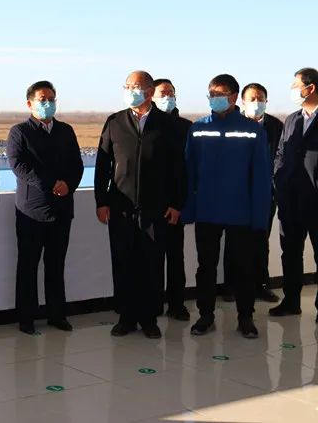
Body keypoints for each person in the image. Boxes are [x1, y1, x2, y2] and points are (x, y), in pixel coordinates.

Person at [95, 70, 185, 339]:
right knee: (123, 261)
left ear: (149, 91)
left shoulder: (166, 125)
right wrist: (101, 201)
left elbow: (178, 168)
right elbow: (102, 164)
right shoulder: (115, 122)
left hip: (156, 208)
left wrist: (176, 203)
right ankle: (126, 317)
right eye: (127, 86)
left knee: (152, 264)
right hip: (120, 207)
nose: (129, 91)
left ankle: (149, 318)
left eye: (134, 86)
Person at [182, 74, 271, 339]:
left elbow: (261, 176)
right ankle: (205, 315)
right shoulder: (198, 129)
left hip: (240, 212)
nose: (215, 99)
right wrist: (188, 209)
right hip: (207, 211)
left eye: (220, 94)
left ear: (233, 97)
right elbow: (189, 172)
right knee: (205, 267)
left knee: (243, 267)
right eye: (211, 94)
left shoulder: (252, 130)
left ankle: (246, 317)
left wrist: (260, 216)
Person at [7, 81, 84, 335]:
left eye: (51, 99)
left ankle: (56, 314)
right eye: (42, 99)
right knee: (28, 265)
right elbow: (19, 166)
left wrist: (68, 184)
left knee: (56, 264)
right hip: (31, 211)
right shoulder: (19, 132)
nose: (48, 103)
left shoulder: (66, 131)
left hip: (62, 209)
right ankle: (26, 317)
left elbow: (77, 165)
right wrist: (52, 184)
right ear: (29, 103)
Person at [270, 68, 318, 323]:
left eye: (295, 85)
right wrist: (279, 179)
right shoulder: (292, 119)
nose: (292, 90)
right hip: (290, 200)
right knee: (290, 254)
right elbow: (281, 153)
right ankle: (291, 302)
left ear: (310, 88)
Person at [225, 83, 283, 303]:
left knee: (260, 241)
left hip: (265, 195)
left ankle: (261, 285)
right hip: (236, 194)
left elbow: (281, 158)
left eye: (261, 99)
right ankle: (231, 286)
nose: (256, 103)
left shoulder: (276, 127)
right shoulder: (233, 125)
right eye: (252, 99)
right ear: (242, 101)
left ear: (266, 102)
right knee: (234, 241)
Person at [152, 78, 191, 321]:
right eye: (162, 93)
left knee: (176, 257)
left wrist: (178, 203)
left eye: (171, 93)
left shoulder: (185, 127)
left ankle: (177, 304)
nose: (167, 97)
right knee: (152, 259)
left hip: (175, 204)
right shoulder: (147, 125)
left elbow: (187, 169)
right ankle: (154, 304)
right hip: (150, 203)